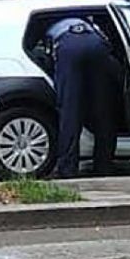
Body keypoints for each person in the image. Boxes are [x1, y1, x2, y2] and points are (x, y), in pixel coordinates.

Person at [44, 17, 121, 178]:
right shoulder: (90, 23)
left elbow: (45, 59)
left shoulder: (48, 23)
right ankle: (104, 165)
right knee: (103, 109)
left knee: (70, 111)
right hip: (97, 45)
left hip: (68, 46)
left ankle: (68, 168)